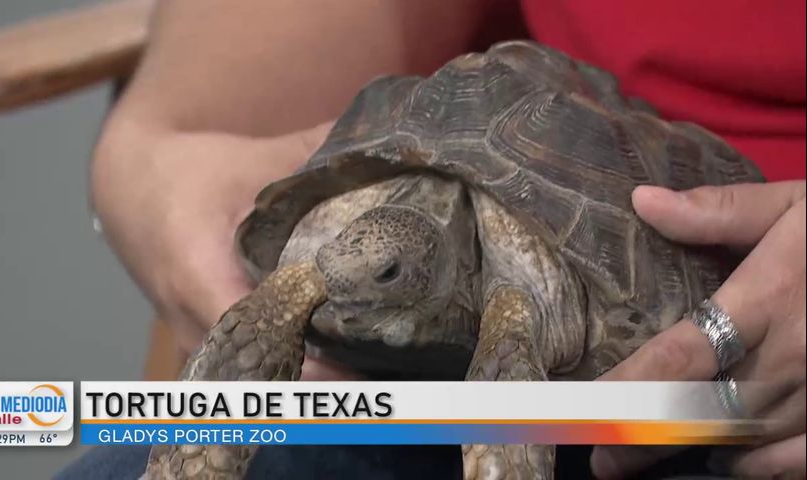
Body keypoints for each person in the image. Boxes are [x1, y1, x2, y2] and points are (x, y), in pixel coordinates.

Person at [89, 0, 805, 478]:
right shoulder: (350, 251)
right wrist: (157, 145)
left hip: (759, 375)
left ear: (431, 264)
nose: (331, 288)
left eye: (391, 274)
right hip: (397, 404)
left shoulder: (517, 300)